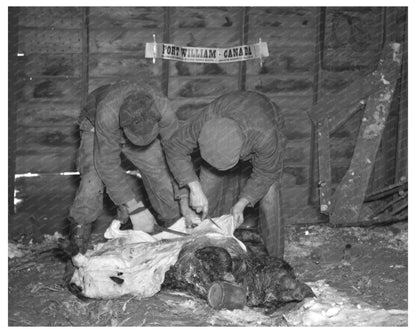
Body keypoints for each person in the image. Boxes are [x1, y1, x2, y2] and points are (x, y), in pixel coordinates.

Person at [64, 80, 196, 282]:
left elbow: (176, 152)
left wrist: (185, 199)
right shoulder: (107, 113)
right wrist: (135, 208)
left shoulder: (162, 107)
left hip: (139, 125)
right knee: (92, 183)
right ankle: (77, 258)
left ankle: (173, 244)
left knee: (160, 174)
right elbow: (106, 163)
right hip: (96, 127)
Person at [163, 90, 286, 258]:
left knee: (270, 195)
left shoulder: (266, 136)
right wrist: (195, 188)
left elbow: (265, 173)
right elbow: (175, 147)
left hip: (264, 119)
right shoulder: (205, 121)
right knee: (204, 196)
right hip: (225, 125)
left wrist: (242, 203)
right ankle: (207, 250)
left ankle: (275, 260)